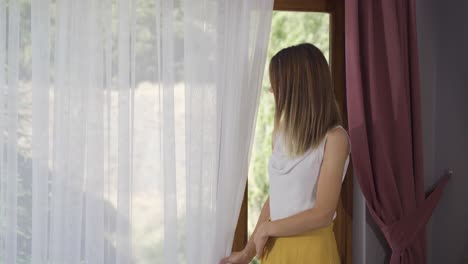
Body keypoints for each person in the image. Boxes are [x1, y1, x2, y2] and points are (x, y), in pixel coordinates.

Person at [220, 43, 350, 264]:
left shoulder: (334, 138)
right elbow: (276, 200)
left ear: (296, 88)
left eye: (276, 85)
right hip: (276, 249)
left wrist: (267, 229)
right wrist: (246, 253)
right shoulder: (280, 137)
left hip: (312, 251)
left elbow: (323, 213)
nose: (272, 91)